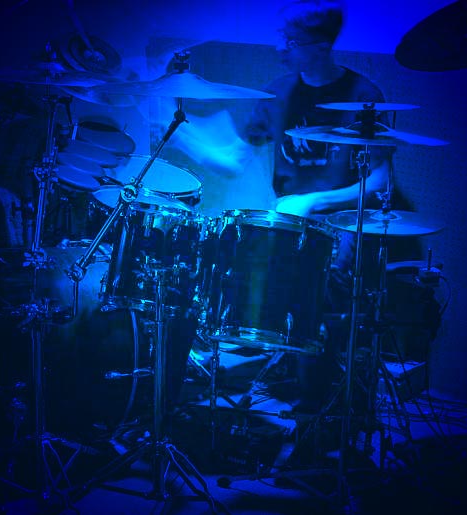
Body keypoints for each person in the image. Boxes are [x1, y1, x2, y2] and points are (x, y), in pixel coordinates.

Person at [169, 0, 395, 413]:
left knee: (325, 288)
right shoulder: (278, 91)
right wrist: (179, 131)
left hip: (343, 221)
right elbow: (234, 160)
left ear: (322, 45)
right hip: (290, 219)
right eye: (281, 38)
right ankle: (249, 365)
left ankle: (317, 405)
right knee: (219, 257)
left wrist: (314, 201)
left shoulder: (364, 97)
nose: (279, 48)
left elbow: (380, 181)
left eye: (290, 41)